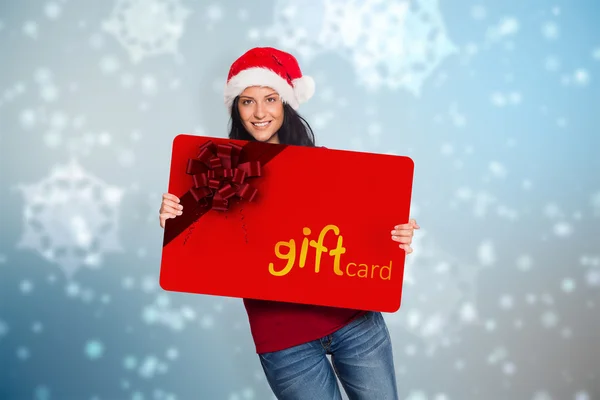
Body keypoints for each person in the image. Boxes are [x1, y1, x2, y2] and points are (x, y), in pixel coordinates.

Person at [159, 47, 419, 400]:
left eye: (270, 98)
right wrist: (175, 217)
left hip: (354, 323)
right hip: (283, 340)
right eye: (247, 101)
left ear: (287, 104)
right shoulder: (219, 174)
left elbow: (370, 229)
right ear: (236, 107)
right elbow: (196, 243)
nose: (260, 112)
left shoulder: (328, 165)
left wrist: (397, 233)